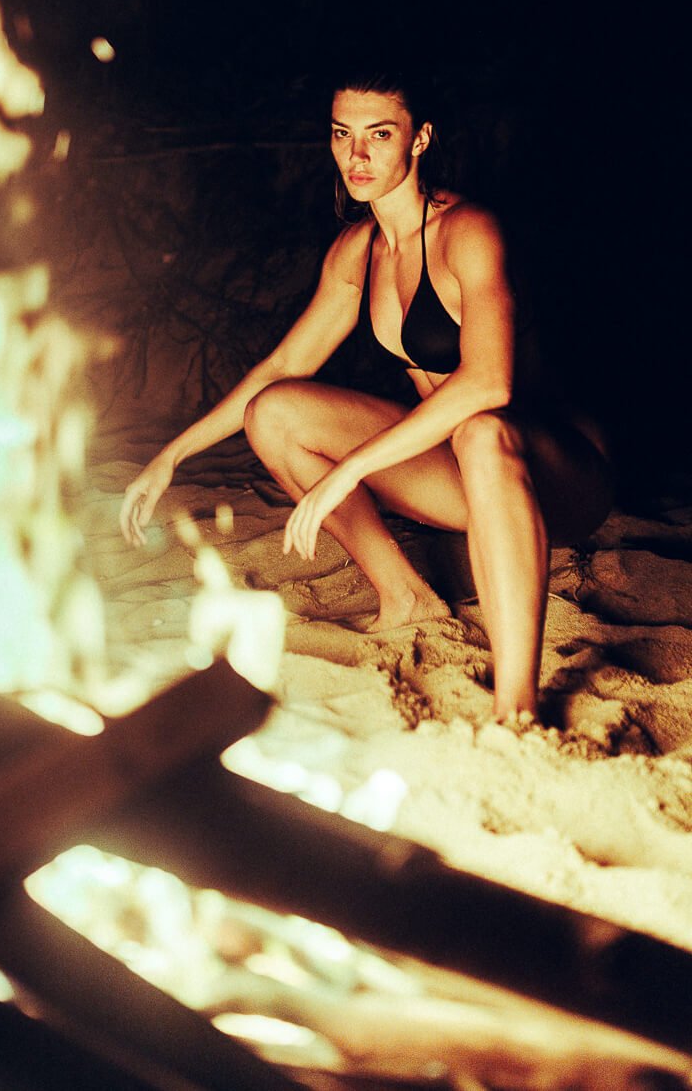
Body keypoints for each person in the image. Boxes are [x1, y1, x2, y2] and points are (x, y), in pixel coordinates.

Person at [119, 72, 612, 720]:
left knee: (481, 430)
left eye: (379, 135)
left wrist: (350, 468)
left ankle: (515, 709)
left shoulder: (468, 230)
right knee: (275, 413)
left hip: (557, 476)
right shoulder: (359, 249)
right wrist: (172, 455)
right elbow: (283, 365)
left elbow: (489, 383)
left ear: (419, 139)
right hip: (463, 472)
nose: (357, 154)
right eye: (342, 134)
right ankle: (406, 596)